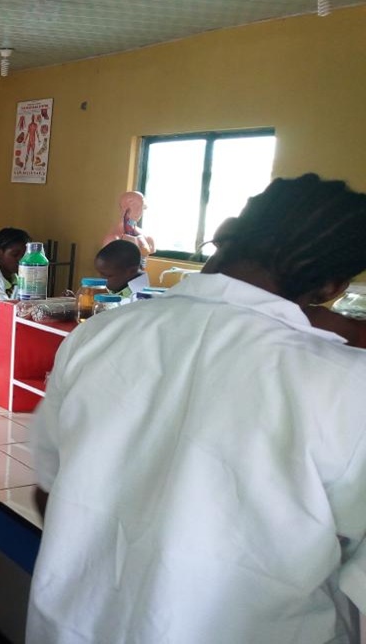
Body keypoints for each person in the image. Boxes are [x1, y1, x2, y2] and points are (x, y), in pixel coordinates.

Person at [28, 174, 366, 644]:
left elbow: (48, 492)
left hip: (74, 627)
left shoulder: (99, 334)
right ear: (333, 286)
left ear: (228, 235)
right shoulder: (346, 384)